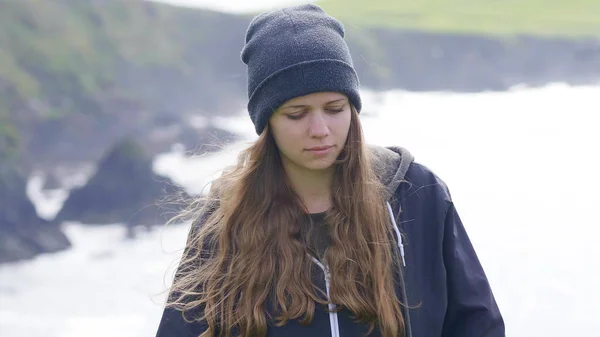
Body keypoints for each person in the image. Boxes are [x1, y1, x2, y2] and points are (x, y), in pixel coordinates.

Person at [155, 4, 505, 337]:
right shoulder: (225, 219)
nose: (320, 129)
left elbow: (477, 324)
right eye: (297, 114)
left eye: (335, 108)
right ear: (267, 123)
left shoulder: (417, 194)